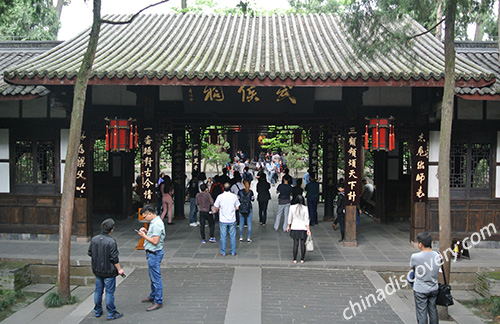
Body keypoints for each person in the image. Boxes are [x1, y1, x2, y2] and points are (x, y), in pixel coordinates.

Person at [88, 218, 124, 320]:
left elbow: (90, 252)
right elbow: (114, 258)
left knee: (98, 291)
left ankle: (97, 311)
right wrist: (119, 269)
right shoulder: (111, 242)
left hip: (97, 269)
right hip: (109, 271)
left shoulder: (94, 239)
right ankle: (111, 313)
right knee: (109, 292)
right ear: (111, 230)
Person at [137, 205, 165, 311]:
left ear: (150, 214)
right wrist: (146, 232)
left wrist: (143, 236)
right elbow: (153, 236)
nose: (145, 219)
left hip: (155, 252)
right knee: (152, 276)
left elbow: (155, 241)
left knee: (156, 278)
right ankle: (153, 295)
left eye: (145, 217)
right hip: (152, 252)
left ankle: (158, 300)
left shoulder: (157, 224)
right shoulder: (154, 222)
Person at [410, 232, 440, 324]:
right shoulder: (437, 255)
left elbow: (412, 266)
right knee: (433, 310)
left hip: (420, 288)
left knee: (421, 312)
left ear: (420, 244)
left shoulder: (415, 257)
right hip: (433, 287)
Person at [213, 183, 240, 256]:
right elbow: (237, 207)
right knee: (232, 236)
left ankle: (223, 252)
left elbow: (216, 207)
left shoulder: (220, 197)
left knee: (223, 236)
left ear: (223, 189)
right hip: (232, 219)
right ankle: (233, 251)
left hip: (223, 219)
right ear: (230, 188)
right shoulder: (234, 196)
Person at [286, 196, 311, 264]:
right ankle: (302, 259)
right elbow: (307, 219)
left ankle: (294, 259)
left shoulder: (292, 207)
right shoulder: (305, 208)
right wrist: (308, 229)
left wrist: (288, 225)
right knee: (303, 244)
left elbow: (289, 217)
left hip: (294, 227)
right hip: (303, 228)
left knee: (295, 244)